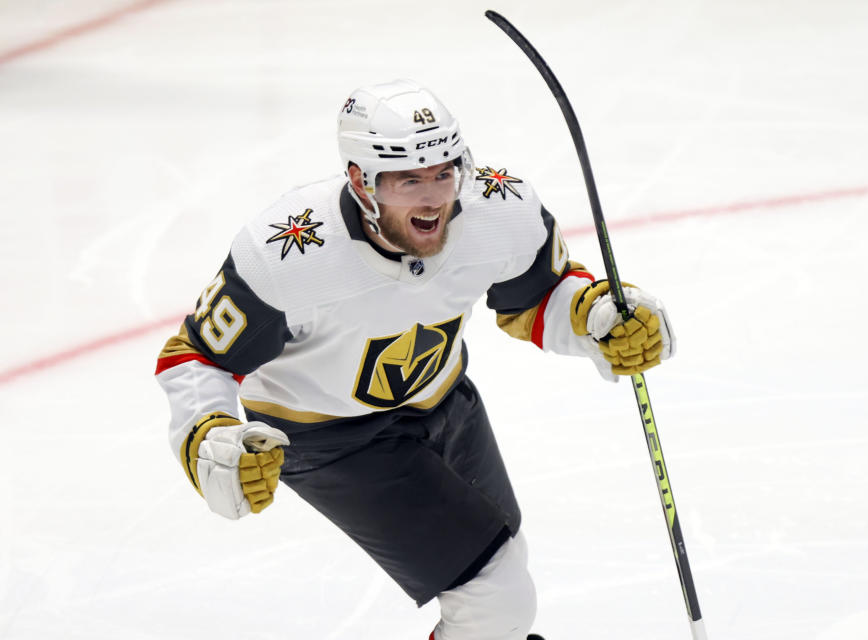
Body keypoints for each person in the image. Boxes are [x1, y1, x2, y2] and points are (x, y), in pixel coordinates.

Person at [155, 78, 674, 640]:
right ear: (361, 180)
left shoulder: (496, 210)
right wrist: (208, 434)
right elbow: (197, 354)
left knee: (500, 568)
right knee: (493, 593)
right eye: (408, 179)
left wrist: (597, 316)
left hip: (446, 401)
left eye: (443, 173)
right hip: (332, 441)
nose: (433, 198)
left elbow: (540, 296)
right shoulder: (290, 254)